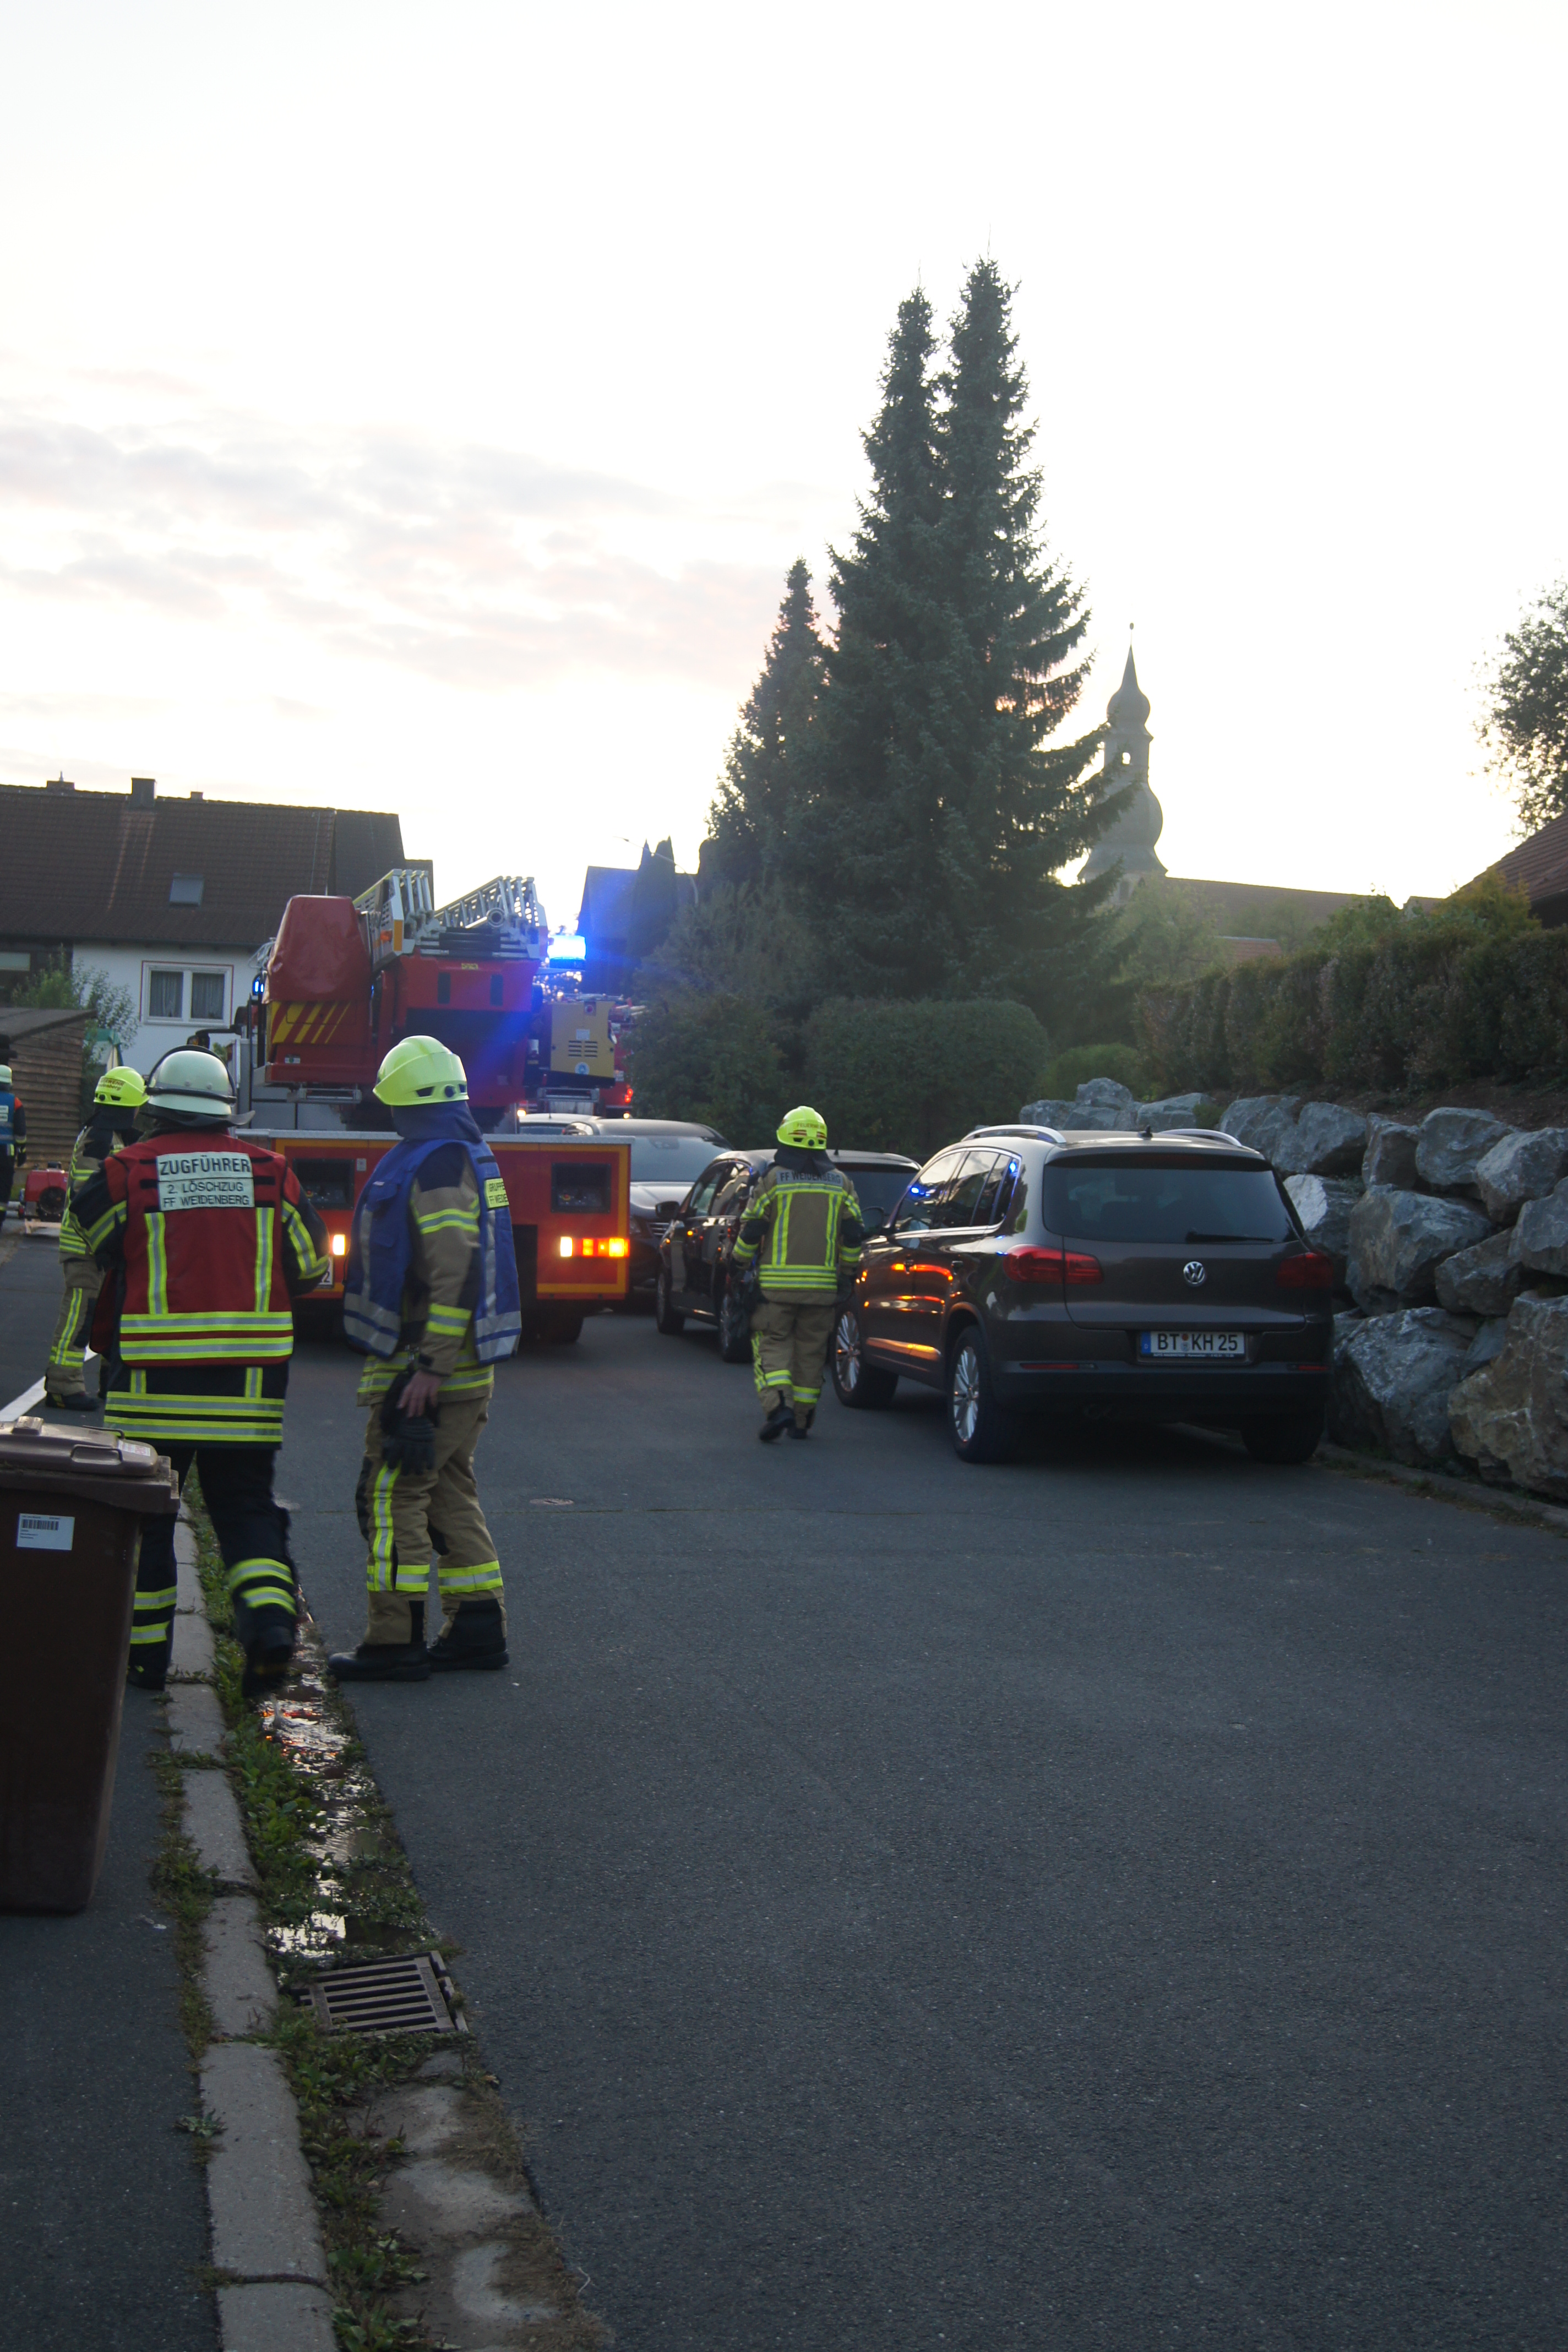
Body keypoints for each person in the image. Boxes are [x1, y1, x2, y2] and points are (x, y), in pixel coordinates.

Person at [75, 1048, 329, 1695]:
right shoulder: (273, 1173)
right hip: (247, 1392)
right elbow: (310, 1268)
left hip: (149, 1391)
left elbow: (99, 1241)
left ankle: (145, 1663)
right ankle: (270, 1627)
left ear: (155, 1110)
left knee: (148, 1521)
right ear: (224, 1112)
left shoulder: (126, 1171)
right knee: (245, 1510)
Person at [328, 1035, 521, 1684]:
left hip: (431, 1369)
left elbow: (453, 1270)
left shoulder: (436, 1164)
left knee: (391, 1495)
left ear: (404, 1103)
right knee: (446, 1490)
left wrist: (431, 1367)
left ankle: (394, 1640)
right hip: (452, 1366)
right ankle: (476, 1628)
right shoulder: (457, 1154)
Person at [731, 1105, 864, 1441]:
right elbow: (854, 1234)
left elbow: (753, 1229)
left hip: (775, 1291)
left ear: (784, 1139)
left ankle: (780, 1408)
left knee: (771, 1344)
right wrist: (847, 1274)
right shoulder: (841, 1183)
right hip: (822, 1291)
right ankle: (802, 1422)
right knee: (811, 1353)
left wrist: (738, 1265)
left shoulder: (773, 1180)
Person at [43, 1064, 146, 1410]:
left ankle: (109, 1383)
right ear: (130, 1105)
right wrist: (105, 1242)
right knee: (80, 1316)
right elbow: (88, 1197)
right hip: (88, 1248)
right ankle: (63, 1386)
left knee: (109, 1315)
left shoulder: (107, 1134)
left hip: (102, 1247)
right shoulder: (100, 1138)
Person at [0, 1062, 26, 1234]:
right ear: (9, 1084)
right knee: (3, 1188)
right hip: (6, 1155)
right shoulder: (15, 1103)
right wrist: (22, 1153)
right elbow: (20, 1133)